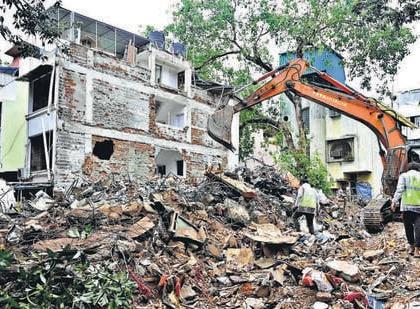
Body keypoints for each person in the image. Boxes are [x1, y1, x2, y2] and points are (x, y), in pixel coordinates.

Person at [391, 162, 420, 257]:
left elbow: (400, 189)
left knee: (408, 227)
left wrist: (394, 201)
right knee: (418, 228)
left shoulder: (404, 176)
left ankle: (411, 246)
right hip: (419, 207)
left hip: (407, 207)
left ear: (408, 168)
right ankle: (417, 249)